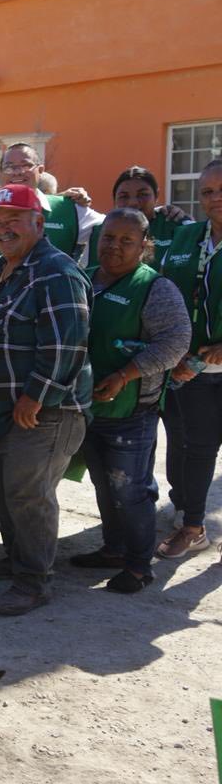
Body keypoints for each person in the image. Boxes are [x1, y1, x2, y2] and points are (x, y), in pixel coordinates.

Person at [0, 183, 92, 616]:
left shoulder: (56, 271)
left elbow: (65, 345)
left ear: (39, 221)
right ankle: (18, 558)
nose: (3, 229)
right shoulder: (6, 269)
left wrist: (35, 396)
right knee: (3, 493)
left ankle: (34, 581)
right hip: (1, 413)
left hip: (43, 413)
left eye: (13, 219)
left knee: (28, 496)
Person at [71, 209, 189, 591]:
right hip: (88, 406)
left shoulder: (155, 288)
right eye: (108, 238)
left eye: (127, 241)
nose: (114, 247)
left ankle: (139, 565)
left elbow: (174, 343)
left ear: (144, 246)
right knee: (105, 486)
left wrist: (126, 374)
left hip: (131, 411)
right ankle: (114, 549)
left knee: (131, 489)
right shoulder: (84, 280)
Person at [158, 158, 222, 559]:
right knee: (197, 448)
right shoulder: (187, 238)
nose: (216, 199)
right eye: (208, 192)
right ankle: (194, 526)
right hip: (194, 369)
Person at [0, 143, 104, 264]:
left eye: (26, 166)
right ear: (1, 172)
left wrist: (91, 270)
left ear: (41, 170)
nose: (17, 172)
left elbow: (110, 227)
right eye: (9, 167)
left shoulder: (69, 209)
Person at [84, 166, 191, 268]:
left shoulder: (175, 225)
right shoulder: (99, 231)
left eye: (143, 194)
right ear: (114, 200)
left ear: (156, 196)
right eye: (124, 196)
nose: (133, 202)